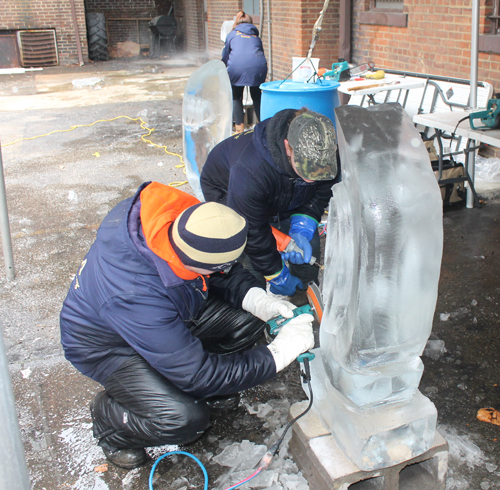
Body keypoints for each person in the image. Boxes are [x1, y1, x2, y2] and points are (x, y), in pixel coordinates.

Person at [59, 181, 314, 469]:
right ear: (192, 261)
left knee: (246, 320)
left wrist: (259, 301)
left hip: (165, 314)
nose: (225, 269)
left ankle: (181, 373)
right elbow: (198, 375)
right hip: (108, 347)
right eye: (221, 266)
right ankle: (110, 423)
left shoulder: (183, 218)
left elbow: (216, 267)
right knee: (184, 419)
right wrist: (278, 354)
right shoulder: (136, 295)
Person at [200, 108, 340, 297]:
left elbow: (323, 188)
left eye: (317, 174)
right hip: (229, 193)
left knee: (309, 247)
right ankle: (258, 310)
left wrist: (303, 225)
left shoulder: (325, 153)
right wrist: (275, 274)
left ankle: (304, 300)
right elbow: (252, 231)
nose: (311, 181)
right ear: (287, 147)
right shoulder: (250, 171)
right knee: (252, 263)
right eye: (306, 172)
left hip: (282, 192)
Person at [222, 11, 268, 133]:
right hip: (258, 69)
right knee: (257, 97)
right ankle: (263, 128)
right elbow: (259, 54)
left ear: (236, 23)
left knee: (236, 97)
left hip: (236, 68)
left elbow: (225, 56)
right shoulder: (256, 37)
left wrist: (224, 67)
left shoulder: (231, 35)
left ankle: (239, 130)